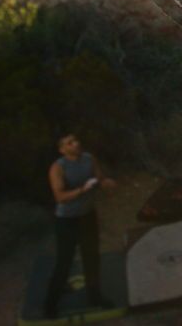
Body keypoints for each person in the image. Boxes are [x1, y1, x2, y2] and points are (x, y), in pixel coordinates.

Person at [44, 134, 116, 318]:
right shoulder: (58, 167)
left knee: (92, 258)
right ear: (62, 150)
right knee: (64, 262)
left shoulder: (89, 159)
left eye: (76, 140)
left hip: (87, 216)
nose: (76, 143)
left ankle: (95, 298)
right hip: (67, 220)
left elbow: (99, 178)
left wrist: (105, 183)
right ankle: (50, 306)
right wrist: (82, 190)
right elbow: (60, 197)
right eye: (70, 142)